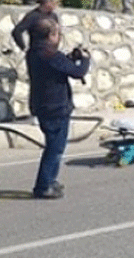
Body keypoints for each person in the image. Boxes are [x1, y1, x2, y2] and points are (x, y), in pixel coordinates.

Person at [26, 18, 90, 199]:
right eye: (57, 33)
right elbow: (78, 72)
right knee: (55, 147)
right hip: (55, 106)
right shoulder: (49, 54)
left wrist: (70, 59)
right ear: (51, 35)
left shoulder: (35, 52)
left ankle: (50, 179)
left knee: (54, 145)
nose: (59, 37)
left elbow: (61, 66)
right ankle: (43, 185)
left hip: (42, 104)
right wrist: (85, 60)